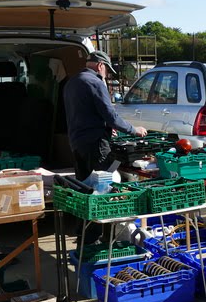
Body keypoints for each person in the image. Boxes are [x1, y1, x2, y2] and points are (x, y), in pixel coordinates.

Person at [63, 51, 147, 243]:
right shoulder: (95, 82)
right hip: (95, 144)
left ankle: (85, 237)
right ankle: (105, 239)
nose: (106, 75)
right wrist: (135, 130)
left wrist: (106, 128)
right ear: (101, 65)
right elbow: (111, 115)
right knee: (103, 191)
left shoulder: (72, 82)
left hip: (77, 143)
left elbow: (85, 113)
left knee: (85, 189)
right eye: (107, 71)